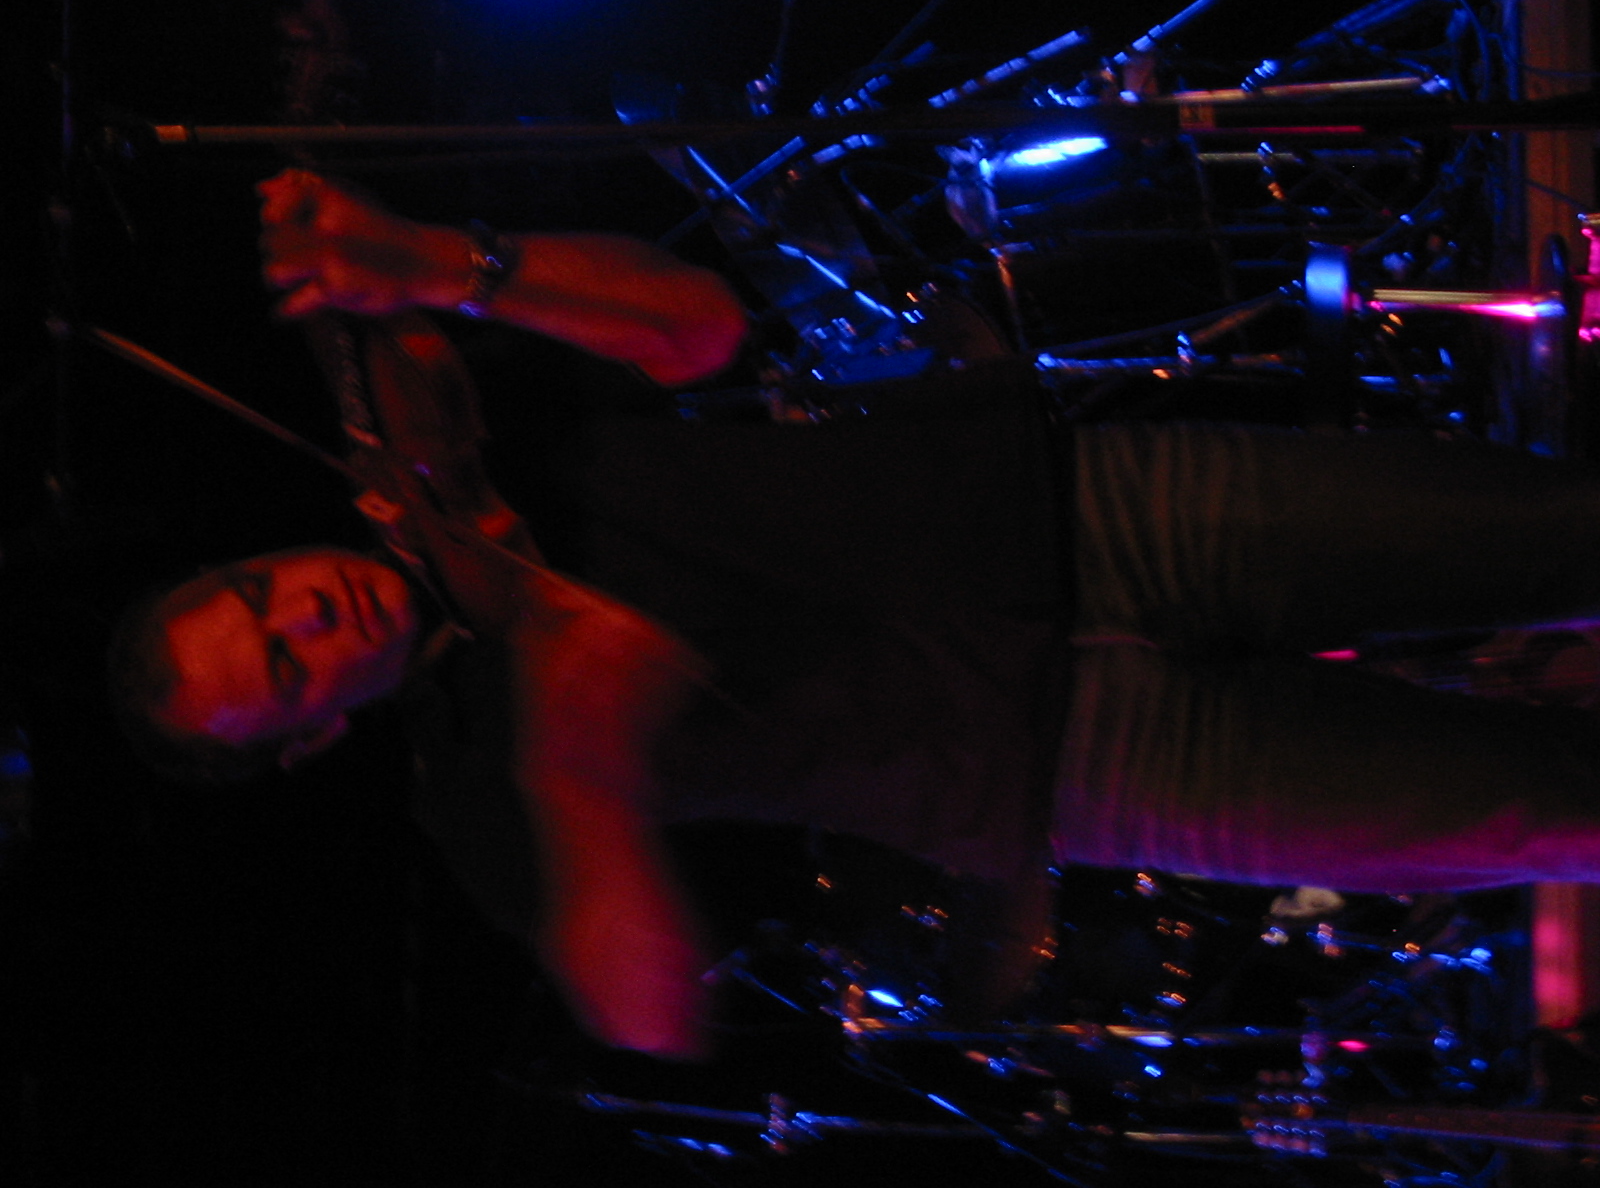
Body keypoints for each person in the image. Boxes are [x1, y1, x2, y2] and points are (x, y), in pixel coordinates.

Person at [111, 169, 1600, 1059]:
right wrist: (582, 779)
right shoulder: (479, 800)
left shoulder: (457, 446)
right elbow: (649, 1017)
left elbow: (698, 325)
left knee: (1557, 535)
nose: (310, 610)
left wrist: (446, 264)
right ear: (312, 738)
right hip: (1073, 767)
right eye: (288, 665)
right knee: (1549, 811)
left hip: (1078, 509)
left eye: (259, 593)